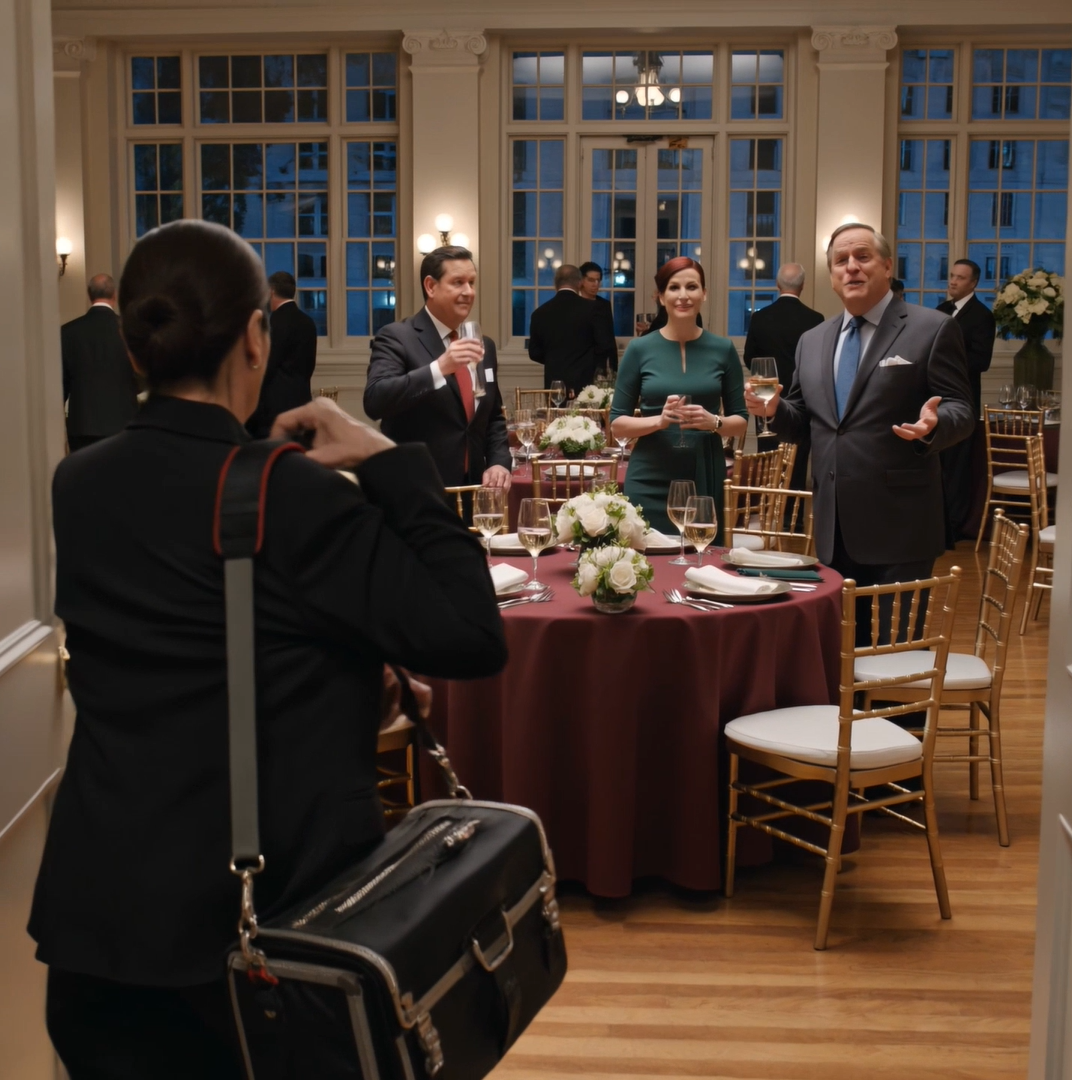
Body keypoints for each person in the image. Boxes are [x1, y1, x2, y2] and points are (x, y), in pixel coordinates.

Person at [30, 220, 507, 1078]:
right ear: (256, 337)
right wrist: (391, 460)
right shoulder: (294, 493)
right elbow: (471, 633)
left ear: (136, 350)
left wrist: (353, 677)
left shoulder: (78, 484)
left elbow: (188, 641)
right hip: (258, 930)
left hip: (101, 918)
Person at [744, 222, 975, 596]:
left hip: (901, 527)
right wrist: (772, 409)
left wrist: (933, 425)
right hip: (833, 529)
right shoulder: (812, 340)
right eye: (840, 260)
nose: (851, 266)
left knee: (893, 650)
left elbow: (962, 409)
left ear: (886, 266)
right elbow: (804, 422)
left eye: (862, 257)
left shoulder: (932, 328)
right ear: (832, 277)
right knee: (845, 650)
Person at [610, 257, 748, 537]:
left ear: (704, 294)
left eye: (692, 287)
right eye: (674, 288)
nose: (683, 296)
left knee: (701, 564)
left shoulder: (723, 349)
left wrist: (714, 422)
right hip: (649, 475)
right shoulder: (639, 350)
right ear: (661, 297)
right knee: (646, 567)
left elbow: (741, 420)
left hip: (703, 473)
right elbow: (617, 424)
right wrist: (659, 421)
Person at [364, 245, 511, 492]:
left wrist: (499, 462)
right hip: (417, 489)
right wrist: (439, 367)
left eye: (472, 283)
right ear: (431, 286)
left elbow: (493, 416)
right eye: (458, 282)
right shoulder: (397, 337)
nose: (469, 292)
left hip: (473, 489)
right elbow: (375, 400)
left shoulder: (484, 345)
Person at [742, 262, 825, 491]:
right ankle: (794, 518)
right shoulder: (816, 319)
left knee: (767, 456)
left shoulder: (761, 318)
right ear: (803, 286)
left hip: (766, 398)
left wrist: (766, 379)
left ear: (778, 285)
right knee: (798, 460)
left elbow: (749, 357)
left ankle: (769, 509)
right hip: (803, 400)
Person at [938, 258, 996, 543]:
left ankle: (953, 529)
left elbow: (981, 361)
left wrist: (947, 364)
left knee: (958, 467)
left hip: (963, 399)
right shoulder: (940, 311)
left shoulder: (982, 316)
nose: (953, 282)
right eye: (951, 276)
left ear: (973, 283)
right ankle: (934, 525)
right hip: (935, 400)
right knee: (938, 464)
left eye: (960, 278)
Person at [60, 273, 140, 451]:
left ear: (90, 296)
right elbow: (141, 374)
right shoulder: (130, 330)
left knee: (85, 478)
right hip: (123, 421)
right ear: (114, 295)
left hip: (82, 425)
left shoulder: (68, 332)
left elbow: (61, 385)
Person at [246, 270, 318, 437]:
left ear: (271, 291)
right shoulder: (308, 322)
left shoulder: (274, 323)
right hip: (302, 399)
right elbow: (309, 365)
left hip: (275, 406)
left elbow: (267, 366)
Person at [528, 264, 617, 395]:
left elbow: (534, 352)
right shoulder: (593, 309)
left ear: (555, 283)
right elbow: (605, 346)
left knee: (555, 415)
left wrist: (555, 358)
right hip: (585, 384)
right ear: (579, 283)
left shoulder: (539, 313)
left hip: (554, 384)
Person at [578, 260, 619, 374]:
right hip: (579, 364)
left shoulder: (604, 305)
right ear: (581, 280)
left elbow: (610, 340)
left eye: (598, 280)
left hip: (600, 366)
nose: (595, 284)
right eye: (591, 280)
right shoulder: (574, 304)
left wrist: (613, 368)